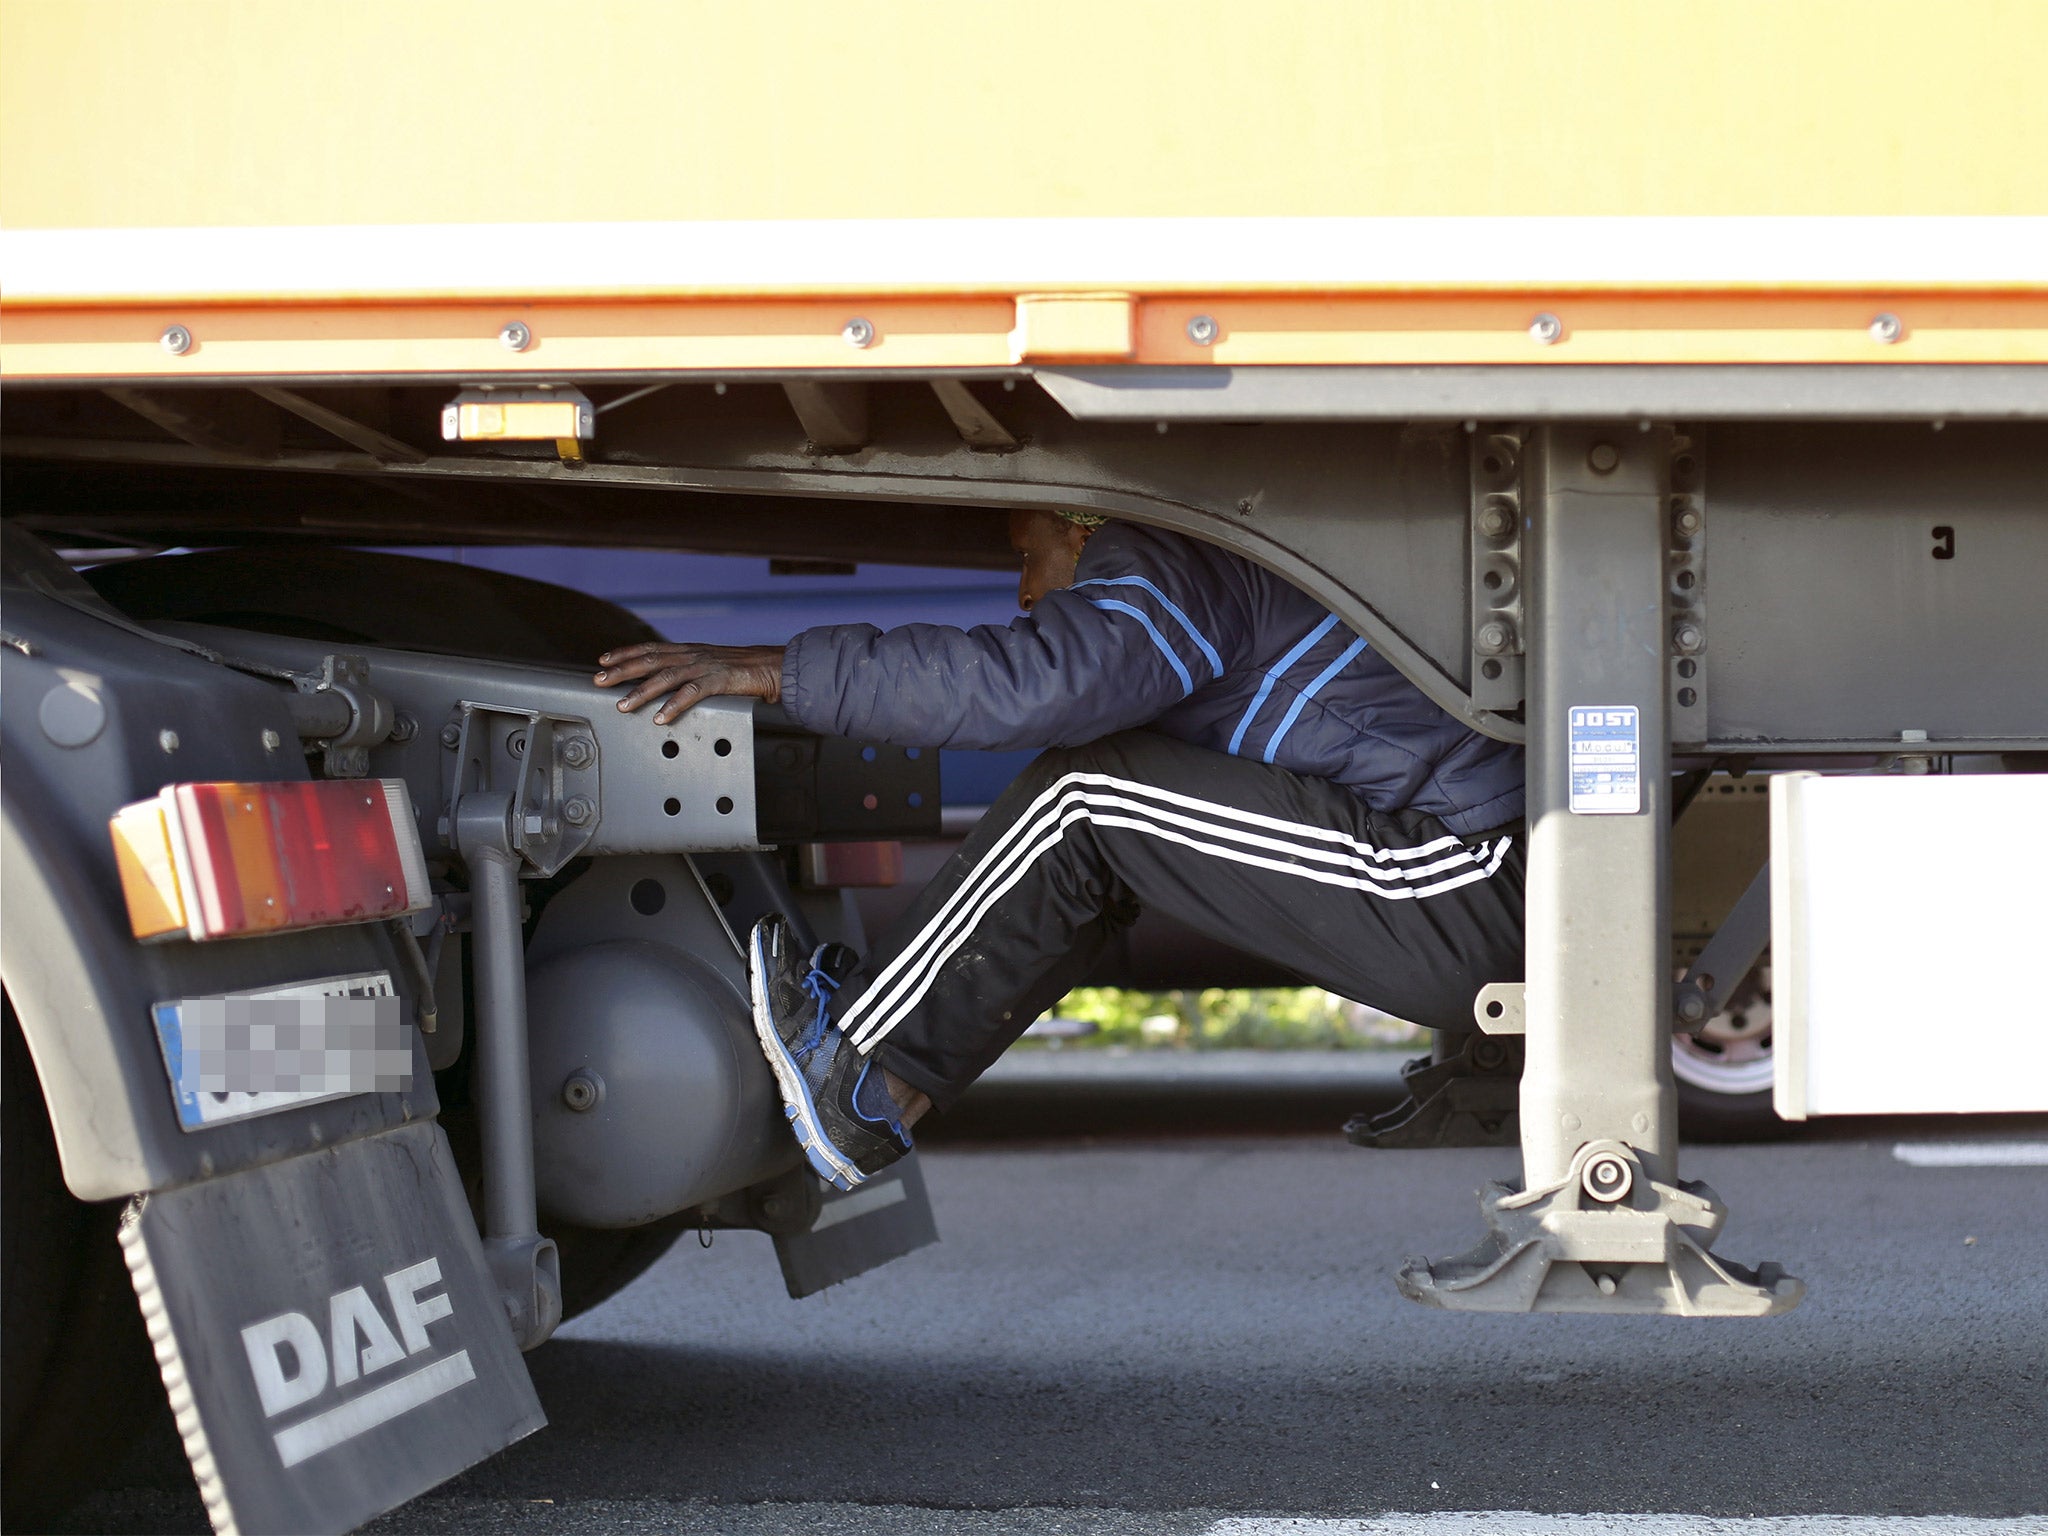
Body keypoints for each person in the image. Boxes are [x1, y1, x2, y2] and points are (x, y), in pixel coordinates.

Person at [594, 510, 1525, 1192]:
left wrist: (777, 670)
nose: (1028, 590)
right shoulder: (1222, 571)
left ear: (1081, 524)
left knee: (1087, 795)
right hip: (1472, 871)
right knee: (1105, 817)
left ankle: (865, 1078)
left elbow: (1034, 688)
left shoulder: (1165, 557)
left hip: (1469, 876)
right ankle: (882, 1092)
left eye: (1027, 554)